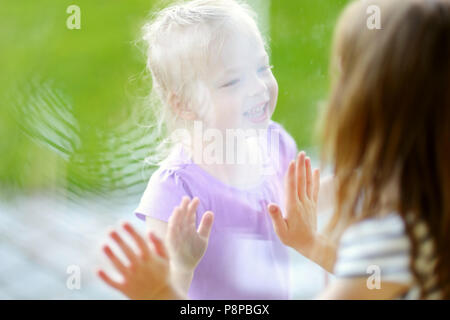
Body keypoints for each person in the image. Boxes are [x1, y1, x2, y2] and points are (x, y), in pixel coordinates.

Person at [97, 0, 334, 300]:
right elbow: (160, 293)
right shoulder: (175, 189)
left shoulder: (275, 142)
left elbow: (295, 208)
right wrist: (182, 266)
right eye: (233, 81)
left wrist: (353, 185)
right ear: (185, 104)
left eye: (262, 67)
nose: (258, 88)